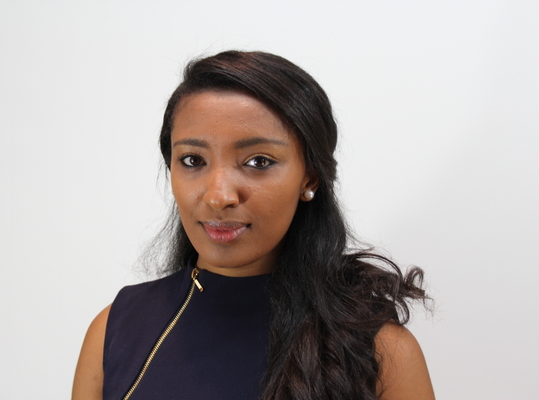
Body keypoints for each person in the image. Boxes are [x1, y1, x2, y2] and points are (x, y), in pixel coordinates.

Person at [72, 50, 435, 400]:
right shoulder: (114, 330)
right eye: (193, 160)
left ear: (309, 177)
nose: (218, 196)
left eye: (258, 161)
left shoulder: (379, 351)